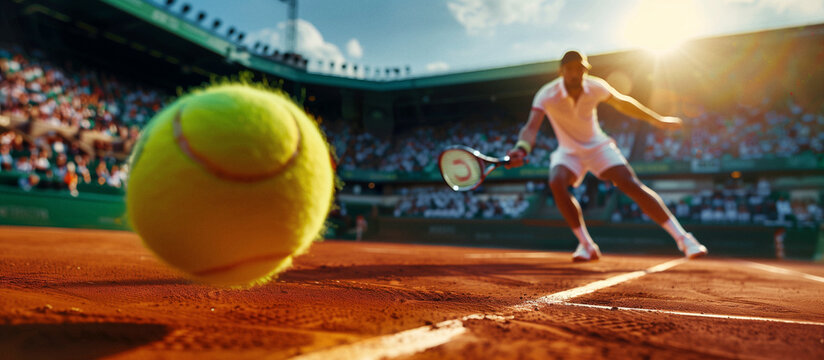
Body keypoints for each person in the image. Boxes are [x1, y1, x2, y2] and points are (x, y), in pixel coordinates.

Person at [506, 50, 707, 262]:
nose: (575, 73)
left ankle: (684, 239)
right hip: (568, 151)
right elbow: (531, 127)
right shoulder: (546, 94)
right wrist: (521, 148)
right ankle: (586, 245)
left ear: (585, 70)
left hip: (598, 147)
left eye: (580, 69)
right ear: (561, 71)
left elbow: (623, 103)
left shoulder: (595, 86)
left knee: (630, 183)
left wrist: (657, 120)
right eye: (570, 69)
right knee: (556, 182)